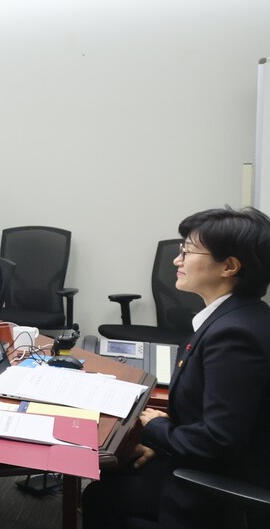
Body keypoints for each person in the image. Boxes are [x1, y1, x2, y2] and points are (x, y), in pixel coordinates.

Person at [82, 207, 270, 529]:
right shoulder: (240, 316)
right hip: (204, 463)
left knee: (103, 495)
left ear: (229, 266)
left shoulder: (234, 335)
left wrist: (158, 430)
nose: (176, 260)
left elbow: (220, 440)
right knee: (111, 477)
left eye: (188, 251)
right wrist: (163, 443)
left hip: (215, 489)